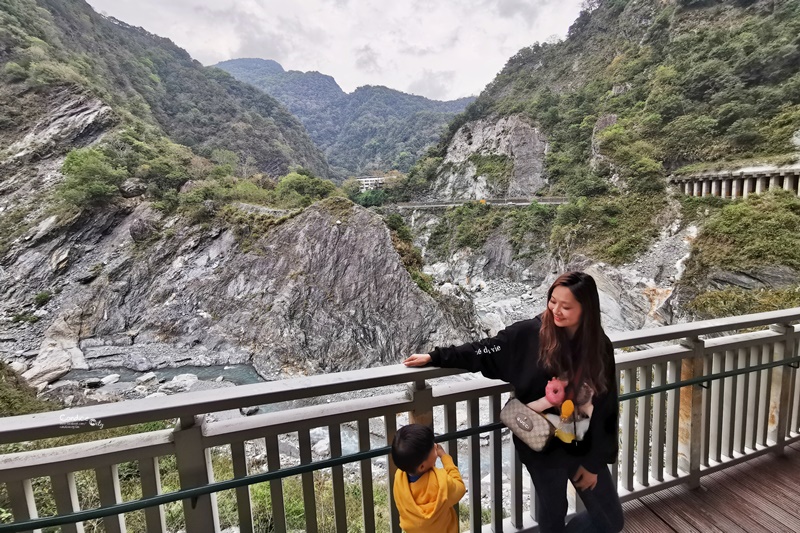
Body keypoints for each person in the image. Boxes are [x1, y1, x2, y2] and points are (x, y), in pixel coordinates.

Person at [403, 271, 624, 533]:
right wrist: (436, 356)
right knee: (552, 515)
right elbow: (483, 350)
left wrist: (593, 462)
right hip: (541, 445)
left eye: (566, 306)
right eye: (553, 301)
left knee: (610, 519)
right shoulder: (529, 334)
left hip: (582, 445)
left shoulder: (599, 346)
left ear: (586, 309)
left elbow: (607, 404)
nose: (556, 310)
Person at [391, 423, 466, 533]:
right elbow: (460, 488)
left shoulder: (399, 478)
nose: (436, 446)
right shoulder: (441, 481)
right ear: (422, 466)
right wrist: (445, 457)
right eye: (433, 448)